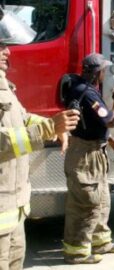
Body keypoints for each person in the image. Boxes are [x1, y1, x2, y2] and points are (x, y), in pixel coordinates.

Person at [0, 11, 80, 270]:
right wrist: (47, 129)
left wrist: (53, 124)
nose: (8, 52)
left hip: (13, 214)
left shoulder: (4, 87)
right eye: (0, 45)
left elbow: (21, 119)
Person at [62, 52, 114, 264]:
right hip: (85, 156)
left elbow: (91, 125)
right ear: (97, 72)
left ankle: (101, 242)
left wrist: (109, 141)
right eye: (103, 71)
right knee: (85, 204)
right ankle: (76, 252)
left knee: (101, 200)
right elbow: (108, 120)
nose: (104, 74)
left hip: (92, 152)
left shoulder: (81, 88)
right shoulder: (87, 93)